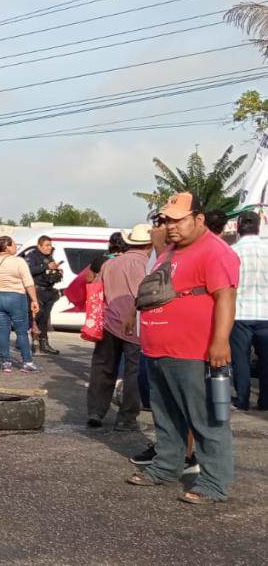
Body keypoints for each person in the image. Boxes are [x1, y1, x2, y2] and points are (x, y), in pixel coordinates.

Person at [127, 193, 238, 504]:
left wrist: (220, 341)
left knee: (206, 419)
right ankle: (165, 466)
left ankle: (215, 482)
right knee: (166, 416)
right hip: (159, 348)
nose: (170, 226)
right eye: (166, 220)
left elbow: (226, 297)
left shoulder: (215, 251)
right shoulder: (170, 252)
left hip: (194, 350)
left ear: (199, 219)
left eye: (177, 220)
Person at [87, 224, 151, 431]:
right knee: (133, 372)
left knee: (102, 368)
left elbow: (97, 290)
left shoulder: (109, 264)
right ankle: (126, 418)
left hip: (108, 323)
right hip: (136, 326)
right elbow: (145, 296)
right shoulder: (146, 265)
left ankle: (95, 411)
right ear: (149, 244)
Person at [0, 235, 41, 373]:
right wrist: (34, 300)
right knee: (21, 331)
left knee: (3, 330)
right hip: (16, 296)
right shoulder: (18, 261)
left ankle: (5, 362)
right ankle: (27, 362)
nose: (16, 247)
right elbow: (28, 282)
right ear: (7, 246)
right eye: (13, 244)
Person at [229, 211, 268, 411]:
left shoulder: (232, 251)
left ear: (238, 227)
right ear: (259, 227)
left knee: (240, 360)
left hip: (240, 313)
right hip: (266, 314)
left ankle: (242, 399)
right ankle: (265, 400)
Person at [24, 235, 63, 355]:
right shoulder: (32, 256)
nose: (49, 247)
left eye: (50, 245)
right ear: (39, 246)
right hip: (36, 291)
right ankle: (34, 344)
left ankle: (44, 344)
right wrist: (46, 266)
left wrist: (57, 272)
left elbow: (48, 272)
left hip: (48, 290)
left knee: (45, 319)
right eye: (46, 245)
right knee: (36, 317)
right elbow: (29, 270)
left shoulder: (49, 257)